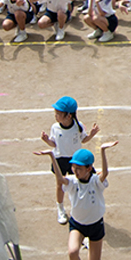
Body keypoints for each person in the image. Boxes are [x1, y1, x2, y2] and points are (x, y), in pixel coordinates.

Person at [35, 96, 99, 225]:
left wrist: (91, 135)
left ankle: (82, 208)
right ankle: (60, 209)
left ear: (69, 116)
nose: (56, 116)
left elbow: (83, 139)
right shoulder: (55, 127)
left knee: (80, 184)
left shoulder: (78, 127)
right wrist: (47, 140)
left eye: (58, 114)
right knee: (60, 185)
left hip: (76, 160)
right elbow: (54, 144)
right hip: (60, 159)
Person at [62, 143, 115, 260]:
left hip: (95, 225)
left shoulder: (95, 182)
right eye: (74, 167)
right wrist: (51, 156)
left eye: (79, 168)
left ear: (89, 168)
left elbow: (105, 173)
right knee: (72, 251)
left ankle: (88, 244)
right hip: (77, 225)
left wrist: (103, 151)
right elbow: (61, 179)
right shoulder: (72, 181)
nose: (75, 171)